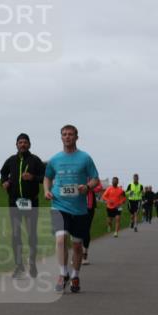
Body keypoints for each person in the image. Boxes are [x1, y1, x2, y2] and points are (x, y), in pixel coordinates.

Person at [44, 125, 99, 293]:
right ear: (61, 137)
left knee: (76, 246)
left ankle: (75, 275)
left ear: (76, 137)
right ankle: (62, 274)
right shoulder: (54, 159)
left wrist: (87, 187)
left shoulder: (85, 158)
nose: (67, 137)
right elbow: (47, 177)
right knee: (60, 240)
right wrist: (46, 190)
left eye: (70, 134)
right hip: (59, 205)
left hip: (79, 209)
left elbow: (95, 179)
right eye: (64, 134)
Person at [0, 133, 44, 278]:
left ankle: (32, 264)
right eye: (20, 142)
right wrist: (4, 182)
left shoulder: (35, 161)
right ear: (16, 145)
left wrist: (33, 177)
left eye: (25, 142)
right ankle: (19, 266)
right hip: (14, 202)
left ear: (29, 144)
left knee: (31, 235)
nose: (22, 144)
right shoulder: (11, 160)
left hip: (31, 202)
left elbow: (44, 178)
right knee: (16, 235)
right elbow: (3, 172)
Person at [82, 177, 103, 265]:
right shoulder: (76, 173)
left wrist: (89, 188)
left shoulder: (92, 175)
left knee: (86, 230)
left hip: (89, 207)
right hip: (76, 206)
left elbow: (100, 186)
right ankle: (77, 254)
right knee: (76, 231)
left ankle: (84, 255)